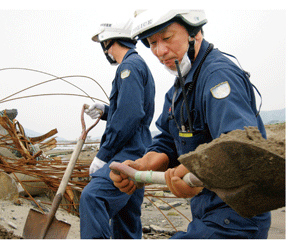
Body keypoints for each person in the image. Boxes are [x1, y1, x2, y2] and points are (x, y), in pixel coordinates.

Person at [110, 10, 271, 239]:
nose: (159, 51)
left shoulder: (217, 76)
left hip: (238, 215)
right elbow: (167, 141)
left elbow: (238, 144)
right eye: (151, 43)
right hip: (209, 212)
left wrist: (197, 169)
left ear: (194, 32)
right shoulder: (178, 91)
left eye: (166, 38)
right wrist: (141, 166)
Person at [79, 17, 155, 239]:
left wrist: (103, 155)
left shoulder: (129, 67)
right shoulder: (137, 65)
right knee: (126, 218)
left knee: (93, 197)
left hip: (127, 151)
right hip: (138, 148)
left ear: (108, 43)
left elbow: (130, 115)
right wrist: (105, 110)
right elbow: (130, 110)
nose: (107, 52)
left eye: (105, 46)